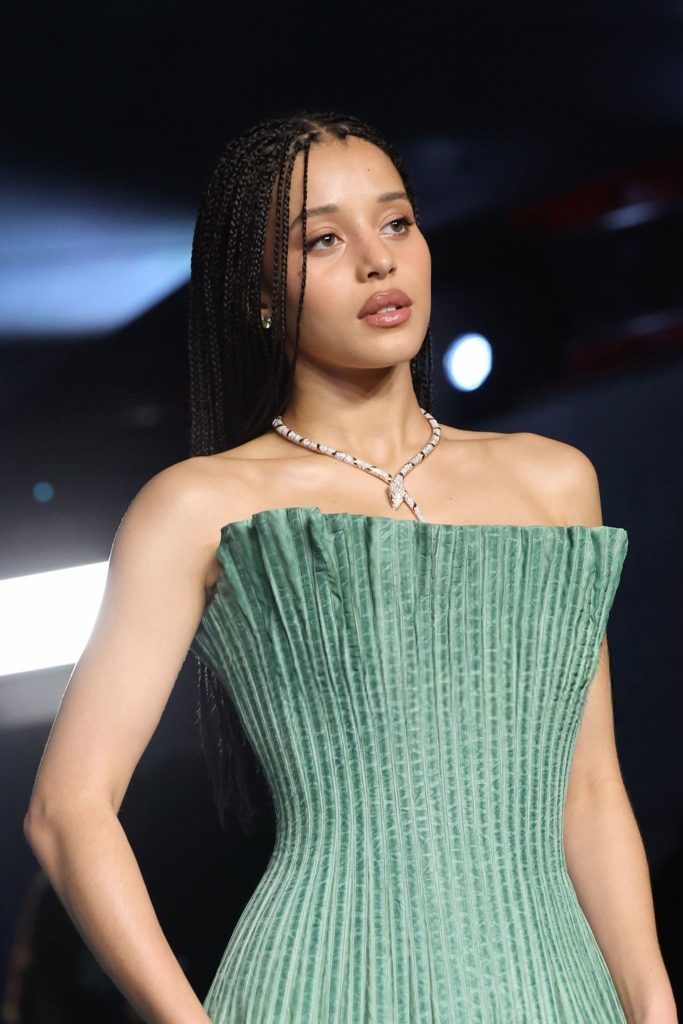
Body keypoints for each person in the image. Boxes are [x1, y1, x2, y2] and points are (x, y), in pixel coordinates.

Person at [23, 111, 677, 1024]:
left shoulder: (553, 481)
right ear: (259, 294)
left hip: (550, 989)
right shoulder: (199, 506)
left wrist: (652, 1003)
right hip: (316, 985)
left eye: (396, 222)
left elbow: (590, 792)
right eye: (323, 240)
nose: (378, 261)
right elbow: (67, 808)